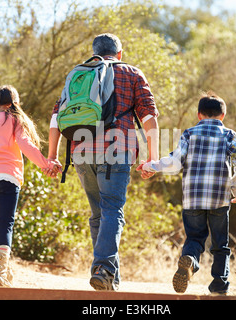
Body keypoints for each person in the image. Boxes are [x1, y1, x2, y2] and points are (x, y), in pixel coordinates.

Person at [44, 33, 160, 291]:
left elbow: (56, 118)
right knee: (112, 210)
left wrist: (52, 156)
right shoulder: (131, 73)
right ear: (120, 53)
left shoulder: (79, 73)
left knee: (99, 213)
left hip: (81, 152)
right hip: (116, 150)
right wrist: (153, 156)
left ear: (95, 52)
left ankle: (109, 279)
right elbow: (149, 116)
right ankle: (104, 268)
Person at [138, 91, 236, 295]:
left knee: (194, 239)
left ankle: (190, 260)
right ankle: (218, 285)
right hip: (219, 198)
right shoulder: (229, 135)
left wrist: (151, 165)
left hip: (193, 198)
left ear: (199, 115)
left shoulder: (189, 134)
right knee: (220, 244)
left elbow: (174, 162)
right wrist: (235, 187)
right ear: (222, 116)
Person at [0, 85, 57, 287]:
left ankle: (4, 270)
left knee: (0, 224)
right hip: (8, 178)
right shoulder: (14, 119)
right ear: (13, 104)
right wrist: (46, 164)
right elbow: (26, 145)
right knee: (5, 224)